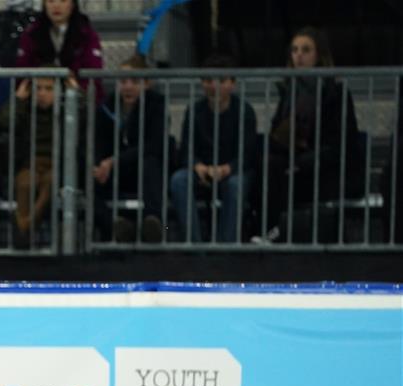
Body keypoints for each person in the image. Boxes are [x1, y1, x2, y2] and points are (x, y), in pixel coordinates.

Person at [264, 26, 363, 243]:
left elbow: (341, 143)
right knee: (268, 164)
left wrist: (302, 162)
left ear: (319, 55)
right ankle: (269, 230)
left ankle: (276, 231)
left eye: (306, 50)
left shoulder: (335, 93)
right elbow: (275, 133)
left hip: (327, 170)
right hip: (295, 166)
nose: (298, 55)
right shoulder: (290, 91)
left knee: (277, 174)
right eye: (295, 49)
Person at [170, 53, 258, 243]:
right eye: (208, 80)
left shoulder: (245, 111)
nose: (214, 85)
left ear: (232, 84)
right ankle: (193, 243)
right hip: (203, 169)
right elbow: (186, 149)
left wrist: (228, 168)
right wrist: (197, 165)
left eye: (221, 80)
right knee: (178, 180)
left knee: (235, 184)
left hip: (235, 169)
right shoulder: (194, 110)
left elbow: (249, 154)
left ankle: (225, 245)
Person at [93, 54, 167, 242]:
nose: (127, 86)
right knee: (86, 175)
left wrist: (115, 160)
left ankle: (153, 221)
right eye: (123, 81)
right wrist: (98, 164)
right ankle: (114, 225)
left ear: (146, 84)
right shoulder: (106, 107)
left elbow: (153, 145)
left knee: (149, 162)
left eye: (134, 81)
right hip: (114, 172)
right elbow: (98, 141)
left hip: (141, 169)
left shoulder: (156, 104)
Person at [0, 74, 57, 249]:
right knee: (25, 183)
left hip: (55, 164)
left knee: (51, 181)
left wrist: (75, 92)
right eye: (38, 88)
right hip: (30, 163)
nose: (42, 93)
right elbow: (4, 122)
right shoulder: (25, 109)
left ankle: (23, 227)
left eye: (49, 89)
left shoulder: (67, 110)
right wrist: (18, 100)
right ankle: (26, 232)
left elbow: (84, 115)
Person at [15, 0, 104, 100]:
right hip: (38, 101)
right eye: (51, 1)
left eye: (63, 0)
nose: (56, 6)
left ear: (72, 4)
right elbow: (22, 72)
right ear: (44, 4)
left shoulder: (87, 35)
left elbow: (93, 74)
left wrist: (79, 92)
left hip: (76, 100)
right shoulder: (31, 34)